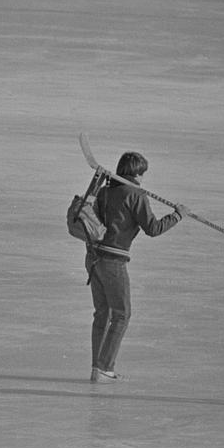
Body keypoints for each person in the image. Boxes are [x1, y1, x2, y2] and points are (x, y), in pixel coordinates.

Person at [86, 151, 187, 383]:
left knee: (103, 313)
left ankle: (97, 368)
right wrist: (178, 215)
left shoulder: (104, 191)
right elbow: (153, 228)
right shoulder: (136, 194)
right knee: (122, 314)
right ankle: (105, 367)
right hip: (113, 260)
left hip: (94, 258)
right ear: (138, 173)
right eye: (143, 174)